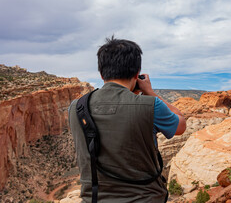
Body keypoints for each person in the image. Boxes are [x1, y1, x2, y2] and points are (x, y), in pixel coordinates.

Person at [68, 36, 186, 202]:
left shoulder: (76, 107)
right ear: (137, 73)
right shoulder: (150, 106)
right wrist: (150, 93)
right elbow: (181, 124)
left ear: (102, 74)